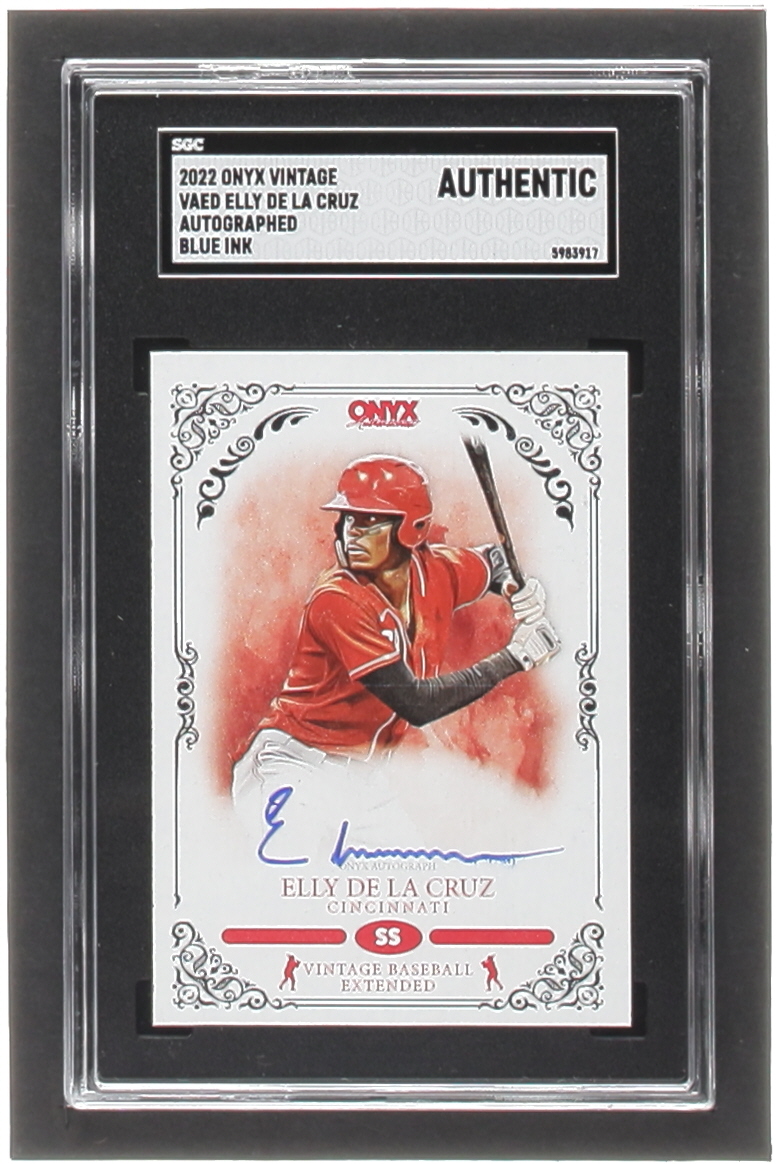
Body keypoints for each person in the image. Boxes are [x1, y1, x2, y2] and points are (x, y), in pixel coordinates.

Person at [232, 454, 559, 805]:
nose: (352, 531)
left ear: (411, 528)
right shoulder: (338, 598)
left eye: (370, 520)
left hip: (361, 781)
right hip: (294, 764)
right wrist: (516, 657)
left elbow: (494, 560)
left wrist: (514, 586)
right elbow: (417, 703)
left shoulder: (434, 573)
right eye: (348, 518)